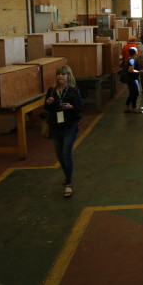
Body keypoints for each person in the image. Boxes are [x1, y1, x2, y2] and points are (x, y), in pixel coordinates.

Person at [43, 65, 84, 198]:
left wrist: (71, 107)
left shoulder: (73, 91)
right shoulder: (51, 90)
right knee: (60, 156)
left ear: (68, 76)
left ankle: (68, 184)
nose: (60, 76)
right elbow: (46, 108)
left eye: (63, 74)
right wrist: (48, 103)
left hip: (69, 126)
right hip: (55, 126)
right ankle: (67, 175)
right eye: (59, 74)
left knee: (66, 154)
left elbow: (80, 107)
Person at [124, 47, 143, 113]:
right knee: (135, 93)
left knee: (132, 93)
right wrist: (139, 71)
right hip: (133, 79)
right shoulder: (132, 60)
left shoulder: (131, 59)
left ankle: (126, 107)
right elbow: (130, 70)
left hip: (131, 79)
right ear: (135, 53)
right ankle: (133, 108)